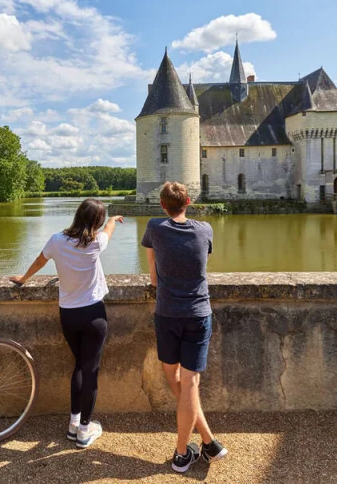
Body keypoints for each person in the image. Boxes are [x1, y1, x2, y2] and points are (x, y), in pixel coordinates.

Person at [10, 198, 123, 449]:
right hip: (93, 315)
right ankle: (84, 431)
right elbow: (108, 232)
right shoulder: (95, 242)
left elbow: (40, 261)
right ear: (97, 221)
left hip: (69, 315)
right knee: (90, 370)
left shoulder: (57, 240)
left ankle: (74, 424)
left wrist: (24, 278)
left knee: (79, 368)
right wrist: (113, 220)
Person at [141, 182, 227, 473]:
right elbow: (200, 261)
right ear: (188, 201)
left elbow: (153, 276)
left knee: (174, 376)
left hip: (167, 314)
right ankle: (209, 442)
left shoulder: (154, 227)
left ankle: (182, 454)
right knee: (190, 384)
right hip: (198, 313)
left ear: (163, 205)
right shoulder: (205, 229)